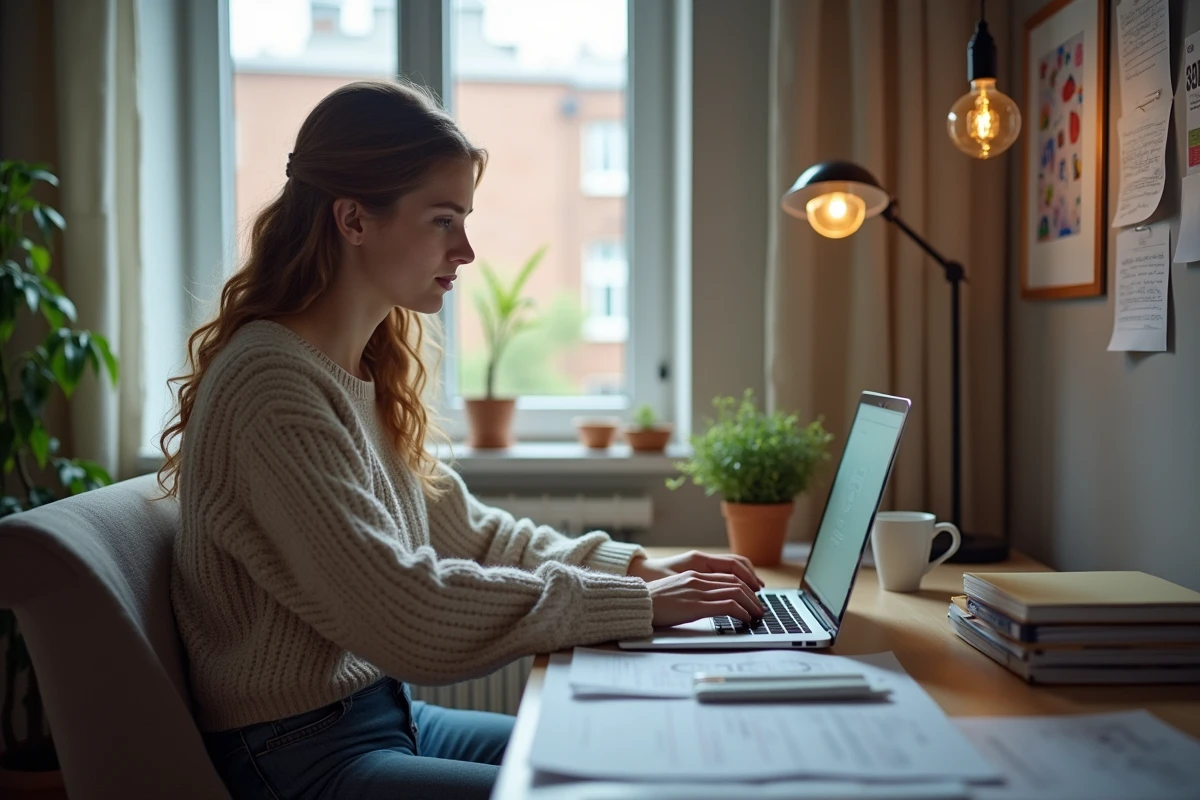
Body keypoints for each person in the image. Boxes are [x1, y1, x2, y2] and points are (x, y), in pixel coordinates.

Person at [160, 79, 767, 800]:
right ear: (353, 219)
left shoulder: (356, 369)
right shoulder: (271, 385)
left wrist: (642, 569)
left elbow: (476, 538)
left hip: (384, 718)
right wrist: (633, 603)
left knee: (653, 756)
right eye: (443, 220)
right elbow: (401, 610)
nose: (467, 250)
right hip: (299, 754)